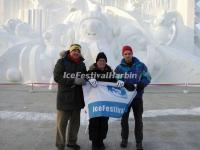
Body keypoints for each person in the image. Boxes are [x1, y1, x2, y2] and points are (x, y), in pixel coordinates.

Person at [115, 45, 151, 150]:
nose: (127, 55)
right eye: (125, 54)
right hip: (125, 98)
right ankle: (124, 139)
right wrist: (125, 84)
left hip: (137, 98)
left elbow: (147, 77)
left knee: (138, 120)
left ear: (132, 54)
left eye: (129, 53)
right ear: (123, 55)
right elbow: (116, 80)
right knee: (124, 120)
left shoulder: (140, 65)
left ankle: (139, 142)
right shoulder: (119, 68)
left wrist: (142, 84)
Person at [54, 44, 86, 150]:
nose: (76, 52)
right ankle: (60, 145)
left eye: (78, 51)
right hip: (65, 98)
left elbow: (85, 75)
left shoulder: (82, 64)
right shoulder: (62, 62)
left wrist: (85, 79)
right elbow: (57, 77)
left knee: (75, 124)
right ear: (70, 51)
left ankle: (72, 142)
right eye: (74, 51)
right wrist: (73, 80)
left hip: (77, 98)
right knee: (62, 124)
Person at [87, 52, 116, 150]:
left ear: (106, 62)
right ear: (97, 61)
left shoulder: (109, 72)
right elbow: (84, 80)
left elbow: (115, 82)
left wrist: (119, 82)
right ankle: (94, 142)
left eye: (103, 60)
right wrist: (89, 79)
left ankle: (101, 140)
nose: (102, 62)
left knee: (104, 122)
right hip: (94, 101)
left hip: (105, 101)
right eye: (100, 60)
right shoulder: (91, 71)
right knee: (94, 121)